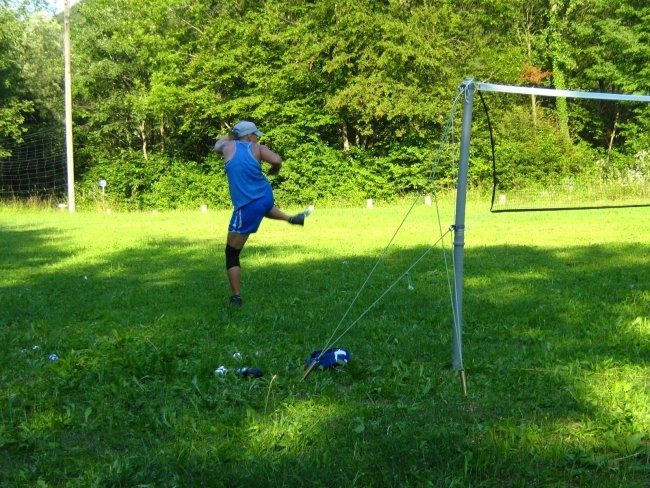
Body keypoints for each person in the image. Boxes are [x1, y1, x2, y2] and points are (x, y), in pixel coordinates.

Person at [214, 120, 310, 306]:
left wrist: (229, 135)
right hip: (265, 196)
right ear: (249, 136)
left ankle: (236, 297)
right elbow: (277, 160)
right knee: (263, 208)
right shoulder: (257, 148)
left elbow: (217, 144)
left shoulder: (226, 146)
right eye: (255, 135)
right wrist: (275, 170)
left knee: (231, 252)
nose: (258, 137)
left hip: (246, 206)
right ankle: (291, 219)